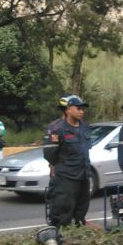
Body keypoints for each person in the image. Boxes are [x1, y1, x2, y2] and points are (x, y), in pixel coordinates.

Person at [42, 95, 92, 230]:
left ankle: (78, 229)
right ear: (68, 110)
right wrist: (55, 166)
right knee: (63, 207)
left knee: (82, 205)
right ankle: (61, 233)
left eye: (83, 109)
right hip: (66, 176)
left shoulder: (85, 127)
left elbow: (87, 149)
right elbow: (49, 153)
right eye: (79, 108)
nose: (82, 111)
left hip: (83, 174)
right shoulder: (57, 128)